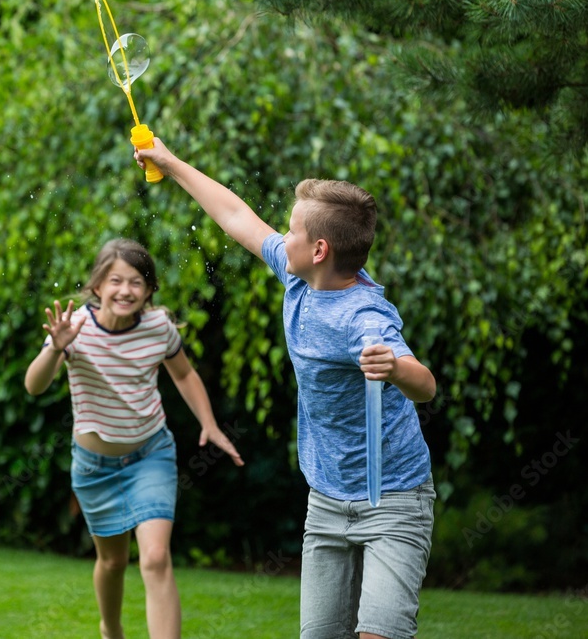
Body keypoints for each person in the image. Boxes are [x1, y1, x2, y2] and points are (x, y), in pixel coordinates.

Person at [134, 141, 437, 639]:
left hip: (394, 500)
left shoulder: (363, 315)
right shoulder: (300, 279)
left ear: (320, 250)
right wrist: (168, 164)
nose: (282, 236)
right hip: (327, 499)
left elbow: (423, 385)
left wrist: (395, 368)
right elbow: (235, 215)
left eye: (292, 230)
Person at [25, 238, 244, 639]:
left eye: (136, 282)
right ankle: (110, 629)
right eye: (115, 281)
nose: (126, 290)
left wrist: (209, 424)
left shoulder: (158, 327)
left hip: (150, 455)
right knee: (112, 562)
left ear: (148, 290)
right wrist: (55, 350)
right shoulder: (75, 330)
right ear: (97, 286)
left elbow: (183, 374)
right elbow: (34, 386)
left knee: (156, 559)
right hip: (94, 468)